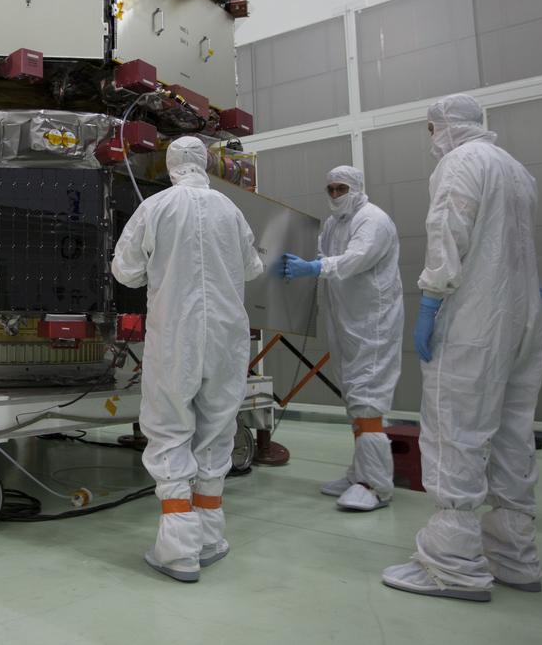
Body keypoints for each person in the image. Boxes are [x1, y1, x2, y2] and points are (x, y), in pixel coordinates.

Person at [382, 94, 542, 602]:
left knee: (456, 431)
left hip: (474, 317)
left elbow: (447, 234)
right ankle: (514, 556)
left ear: (444, 126)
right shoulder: (516, 169)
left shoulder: (460, 163)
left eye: (431, 128)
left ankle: (452, 565)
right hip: (521, 320)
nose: (431, 138)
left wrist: (432, 298)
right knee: (512, 434)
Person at [112, 136, 264, 583]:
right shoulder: (230, 210)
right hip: (226, 335)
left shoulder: (155, 207)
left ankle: (178, 549)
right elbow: (252, 268)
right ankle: (210, 536)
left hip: (176, 334)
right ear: (205, 164)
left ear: (171, 164)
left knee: (169, 426)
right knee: (217, 426)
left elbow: (125, 271)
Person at [281, 165, 403, 512]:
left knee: (368, 399)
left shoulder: (373, 220)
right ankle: (358, 475)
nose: (335, 195)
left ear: (357, 188)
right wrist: (313, 266)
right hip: (345, 320)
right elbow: (327, 258)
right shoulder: (333, 224)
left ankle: (375, 485)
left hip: (373, 322)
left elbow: (355, 260)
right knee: (354, 398)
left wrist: (314, 268)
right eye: (330, 189)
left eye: (341, 189)